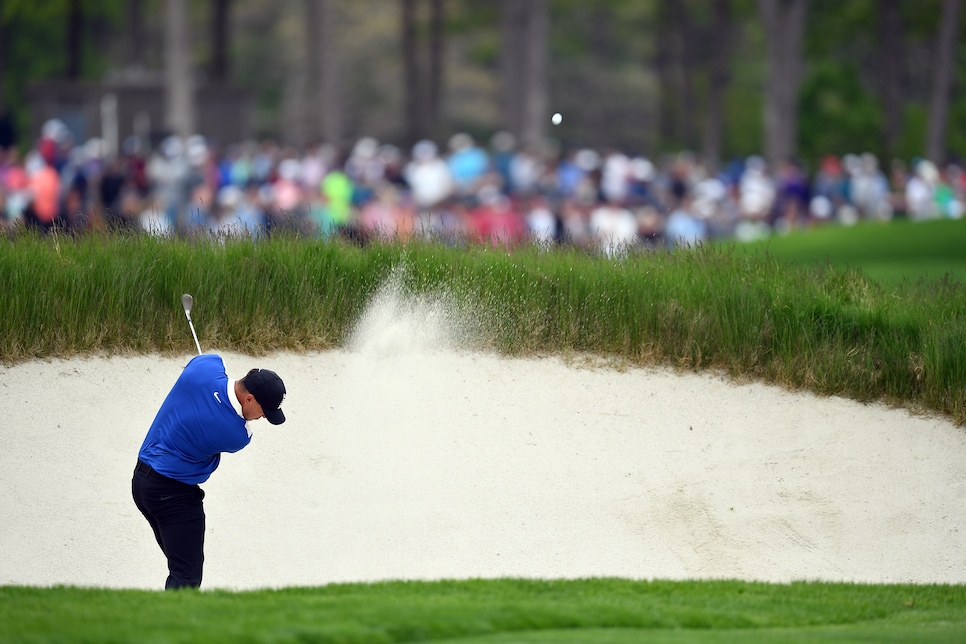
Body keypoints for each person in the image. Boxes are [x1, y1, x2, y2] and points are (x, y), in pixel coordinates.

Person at [132, 354, 287, 590]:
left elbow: (207, 360)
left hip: (142, 484)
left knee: (181, 567)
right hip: (173, 495)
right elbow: (214, 457)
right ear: (249, 399)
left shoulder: (206, 367)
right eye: (264, 410)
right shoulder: (237, 434)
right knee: (186, 577)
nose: (264, 416)